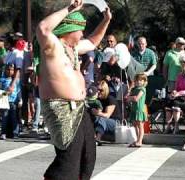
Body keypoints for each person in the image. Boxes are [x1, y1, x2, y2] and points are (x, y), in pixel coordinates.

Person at [36, 0, 111, 179]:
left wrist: (106, 20)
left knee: (88, 154)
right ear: (70, 28)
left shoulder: (74, 49)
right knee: (69, 158)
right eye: (80, 29)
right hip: (60, 108)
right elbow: (44, 28)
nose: (83, 33)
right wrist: (70, 8)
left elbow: (93, 42)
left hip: (79, 107)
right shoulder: (52, 47)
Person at [164, 52, 185, 134]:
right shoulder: (179, 75)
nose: (182, 64)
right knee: (167, 102)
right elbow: (176, 88)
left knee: (175, 104)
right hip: (179, 97)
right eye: (181, 62)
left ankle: (176, 126)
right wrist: (174, 92)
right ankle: (168, 126)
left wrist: (179, 93)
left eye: (184, 62)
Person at [92, 80, 122, 145]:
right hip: (104, 123)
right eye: (97, 90)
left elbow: (107, 115)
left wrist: (97, 113)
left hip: (116, 123)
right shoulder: (97, 100)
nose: (98, 92)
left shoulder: (110, 99)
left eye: (101, 90)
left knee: (101, 119)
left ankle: (98, 138)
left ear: (105, 90)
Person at [0, 63, 20, 139]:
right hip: (5, 102)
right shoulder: (2, 80)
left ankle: (15, 132)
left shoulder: (16, 80)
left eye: (12, 70)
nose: (10, 71)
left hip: (14, 101)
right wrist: (5, 93)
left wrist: (20, 99)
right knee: (4, 118)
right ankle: (3, 132)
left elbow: (18, 91)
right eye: (8, 69)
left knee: (14, 118)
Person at [126, 73, 148, 147]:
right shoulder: (134, 89)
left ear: (144, 81)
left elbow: (136, 98)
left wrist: (130, 98)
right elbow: (127, 97)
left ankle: (140, 141)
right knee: (135, 125)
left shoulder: (142, 89)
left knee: (140, 125)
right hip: (134, 109)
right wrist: (129, 91)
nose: (139, 82)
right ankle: (137, 139)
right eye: (137, 80)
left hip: (139, 109)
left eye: (141, 80)